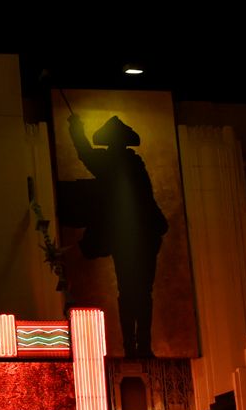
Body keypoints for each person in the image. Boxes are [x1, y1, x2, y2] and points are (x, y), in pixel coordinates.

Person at [65, 111, 169, 357]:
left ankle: (134, 346)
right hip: (146, 234)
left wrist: (76, 128)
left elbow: (84, 152)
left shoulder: (111, 162)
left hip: (130, 237)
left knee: (131, 291)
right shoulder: (134, 162)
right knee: (141, 292)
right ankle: (139, 346)